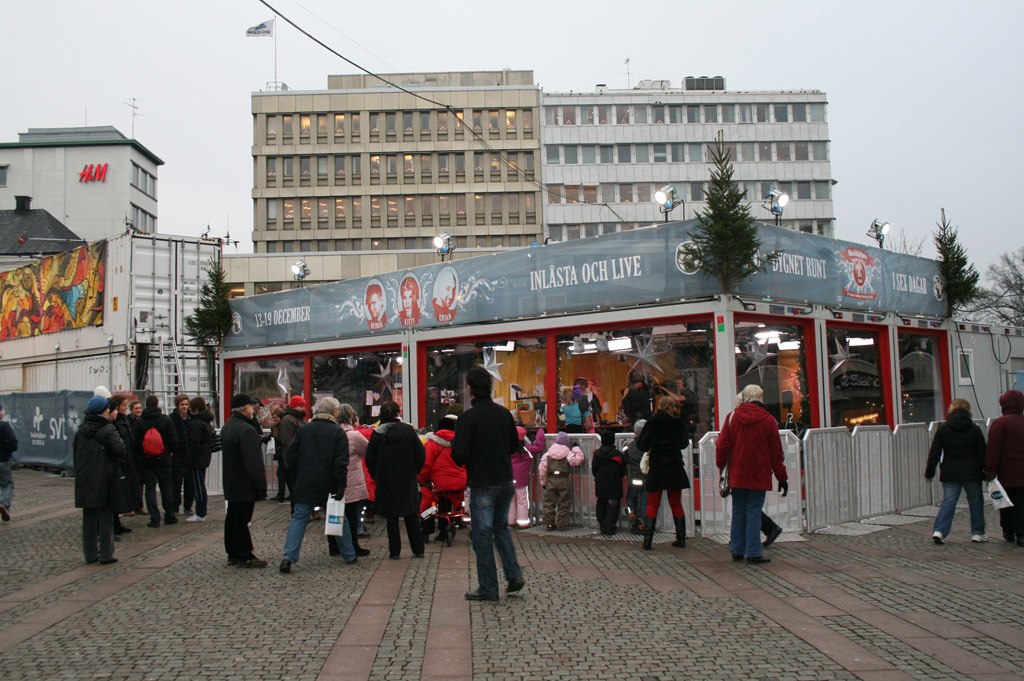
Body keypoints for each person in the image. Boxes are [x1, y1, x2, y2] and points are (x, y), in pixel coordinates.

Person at [451, 366, 525, 601]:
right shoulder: (504, 414)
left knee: (482, 535)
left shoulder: (467, 418)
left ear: (470, 389)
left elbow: (459, 454)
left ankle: (488, 587)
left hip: (482, 481)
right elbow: (515, 445)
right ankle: (513, 575)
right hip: (505, 478)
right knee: (500, 527)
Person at [716, 385, 788, 565]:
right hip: (759, 473)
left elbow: (722, 446)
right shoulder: (769, 420)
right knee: (754, 511)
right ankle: (754, 552)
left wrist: (721, 467)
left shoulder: (732, 417)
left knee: (738, 510)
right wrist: (782, 477)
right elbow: (776, 453)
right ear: (760, 398)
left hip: (738, 472)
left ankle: (737, 549)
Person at [280, 397, 351, 573]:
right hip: (329, 483)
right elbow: (341, 462)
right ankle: (349, 554)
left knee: (299, 518)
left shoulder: (304, 430)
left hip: (305, 481)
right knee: (338, 518)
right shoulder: (337, 432)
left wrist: (296, 475)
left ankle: (288, 558)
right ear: (334, 412)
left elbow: (291, 456)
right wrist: (341, 484)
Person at [365, 401, 425, 560]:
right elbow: (420, 453)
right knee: (411, 514)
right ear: (398, 413)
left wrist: (376, 474)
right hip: (407, 477)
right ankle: (418, 549)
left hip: (386, 478)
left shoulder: (377, 434)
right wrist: (414, 471)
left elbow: (369, 458)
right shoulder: (407, 430)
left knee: (391, 517)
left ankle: (395, 551)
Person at [925, 398, 987, 544]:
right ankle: (977, 533)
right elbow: (983, 452)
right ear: (968, 410)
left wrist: (930, 471)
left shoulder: (943, 429)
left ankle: (939, 530)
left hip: (950, 471)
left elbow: (935, 452)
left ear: (951, 410)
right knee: (976, 501)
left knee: (949, 501)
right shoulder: (974, 429)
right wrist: (987, 470)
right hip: (972, 471)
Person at [74, 396, 126, 565]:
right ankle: (106, 554)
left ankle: (90, 554)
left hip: (85, 478)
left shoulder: (81, 430)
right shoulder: (107, 429)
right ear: (105, 410)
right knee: (105, 516)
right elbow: (120, 449)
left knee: (88, 517)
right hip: (104, 477)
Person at [221, 394, 269, 568]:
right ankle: (244, 554)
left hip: (232, 480)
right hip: (244, 482)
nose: (252, 409)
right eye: (250, 406)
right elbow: (253, 461)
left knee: (233, 517)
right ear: (245, 408)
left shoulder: (228, 426)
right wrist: (260, 485)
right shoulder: (246, 430)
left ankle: (233, 552)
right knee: (241, 519)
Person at [637, 397, 691, 550]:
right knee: (676, 503)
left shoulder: (652, 423)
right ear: (673, 407)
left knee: (653, 503)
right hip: (674, 466)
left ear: (659, 407)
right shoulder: (678, 423)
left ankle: (647, 541)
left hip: (657, 467)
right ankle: (681, 538)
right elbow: (683, 443)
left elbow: (642, 445)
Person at [130, 395, 178, 528]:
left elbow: (135, 443)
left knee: (150, 489)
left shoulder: (139, 422)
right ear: (157, 404)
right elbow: (174, 440)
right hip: (163, 459)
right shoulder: (166, 420)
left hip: (146, 460)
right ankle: (169, 515)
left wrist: (141, 454)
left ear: (146, 405)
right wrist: (169, 451)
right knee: (166, 488)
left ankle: (154, 518)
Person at [985, 389, 1024, 546]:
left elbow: (994, 450)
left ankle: (1008, 531)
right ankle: (1022, 533)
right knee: (1022, 502)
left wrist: (989, 470)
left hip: (1006, 473)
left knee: (1005, 503)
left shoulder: (1000, 424)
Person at [419, 413, 467, 542]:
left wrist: (422, 480)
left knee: (429, 500)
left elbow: (426, 465)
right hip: (459, 482)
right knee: (447, 498)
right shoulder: (461, 443)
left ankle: (426, 531)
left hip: (438, 483)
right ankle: (444, 529)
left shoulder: (431, 444)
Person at [338, 403, 371, 557]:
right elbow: (368, 451)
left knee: (335, 514)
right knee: (352, 516)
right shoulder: (353, 435)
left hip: (335, 480)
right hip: (351, 480)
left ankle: (335, 546)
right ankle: (353, 546)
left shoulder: (334, 432)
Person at [538, 432, 584, 531]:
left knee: (549, 504)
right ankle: (562, 526)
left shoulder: (548, 454)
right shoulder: (568, 453)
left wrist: (543, 482)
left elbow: (541, 469)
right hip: (564, 481)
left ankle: (550, 524)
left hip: (550, 481)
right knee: (564, 504)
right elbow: (579, 459)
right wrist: (576, 448)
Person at [109, 396, 140, 536]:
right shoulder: (115, 423)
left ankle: (117, 523)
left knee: (123, 493)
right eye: (123, 405)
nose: (125, 408)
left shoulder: (124, 420)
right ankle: (113, 523)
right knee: (116, 494)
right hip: (121, 462)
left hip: (129, 460)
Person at [186, 396, 215, 523]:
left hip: (198, 458)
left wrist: (188, 461)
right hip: (204, 456)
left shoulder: (196, 423)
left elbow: (194, 444)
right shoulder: (206, 421)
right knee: (200, 485)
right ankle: (201, 512)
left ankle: (201, 513)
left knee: (198, 486)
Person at [592, 430, 625, 535]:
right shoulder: (618, 455)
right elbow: (622, 470)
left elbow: (594, 469)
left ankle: (602, 526)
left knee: (601, 504)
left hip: (601, 483)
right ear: (613, 440)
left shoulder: (597, 454)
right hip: (614, 484)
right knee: (612, 506)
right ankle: (610, 527)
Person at [276, 396, 306, 503]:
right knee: (295, 491)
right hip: (293, 462)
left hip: (299, 460)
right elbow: (288, 443)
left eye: (303, 406)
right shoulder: (287, 421)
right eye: (300, 406)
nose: (303, 408)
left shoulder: (299, 418)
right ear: (293, 406)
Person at [507, 426, 535, 529]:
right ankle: (523, 522)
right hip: (521, 480)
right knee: (522, 500)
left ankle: (511, 521)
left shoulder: (508, 448)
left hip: (509, 477)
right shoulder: (526, 450)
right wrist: (540, 432)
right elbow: (539, 448)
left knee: (511, 500)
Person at [623, 419, 647, 535]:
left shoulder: (630, 447)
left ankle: (631, 514)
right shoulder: (649, 446)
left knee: (630, 498)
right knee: (644, 500)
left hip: (634, 477)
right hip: (646, 477)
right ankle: (642, 523)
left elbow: (625, 459)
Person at [169, 394, 191, 517]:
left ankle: (188, 506)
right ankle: (175, 506)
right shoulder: (172, 419)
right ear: (177, 406)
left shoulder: (190, 418)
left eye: (186, 404)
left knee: (189, 482)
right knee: (176, 482)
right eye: (182, 405)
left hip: (187, 454)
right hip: (177, 454)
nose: (184, 407)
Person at [0, 404, 19, 522]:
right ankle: (4, 504)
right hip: (3, 460)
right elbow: (13, 442)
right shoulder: (4, 426)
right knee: (7, 484)